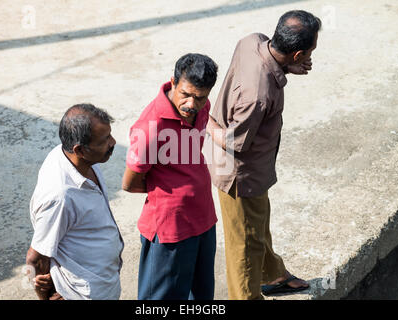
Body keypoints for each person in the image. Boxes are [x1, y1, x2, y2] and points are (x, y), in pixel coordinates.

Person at [206, 10, 321, 299]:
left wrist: (287, 69)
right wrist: (208, 124)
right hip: (239, 175)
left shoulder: (252, 41)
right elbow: (234, 141)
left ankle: (274, 274)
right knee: (244, 244)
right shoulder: (258, 96)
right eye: (308, 52)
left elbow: (262, 70)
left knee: (258, 227)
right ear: (296, 54)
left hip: (255, 170)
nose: (309, 57)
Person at [122, 53, 219, 300]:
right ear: (173, 83)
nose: (191, 104)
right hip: (170, 228)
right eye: (185, 94)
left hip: (203, 217)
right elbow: (130, 183)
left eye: (200, 97)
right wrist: (169, 190)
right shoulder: (150, 128)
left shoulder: (202, 107)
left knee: (201, 295)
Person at [26, 103, 124, 300]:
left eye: (110, 135)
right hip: (83, 293)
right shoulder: (61, 196)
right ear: (80, 149)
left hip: (102, 283)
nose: (113, 143)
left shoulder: (69, 156)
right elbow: (35, 258)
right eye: (105, 140)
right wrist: (44, 294)